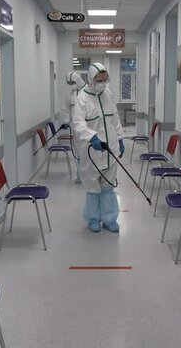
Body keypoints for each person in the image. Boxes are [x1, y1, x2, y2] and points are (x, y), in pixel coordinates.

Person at [72, 63, 125, 233]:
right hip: (92, 152)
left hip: (111, 149)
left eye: (104, 79)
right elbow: (78, 124)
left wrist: (121, 138)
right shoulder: (82, 98)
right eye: (99, 80)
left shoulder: (107, 94)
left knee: (108, 186)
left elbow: (115, 118)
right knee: (93, 187)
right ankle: (93, 218)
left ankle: (109, 219)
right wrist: (91, 136)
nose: (102, 83)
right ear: (91, 78)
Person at [60, 71, 86, 184]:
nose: (71, 84)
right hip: (76, 129)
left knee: (88, 152)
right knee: (78, 152)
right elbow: (66, 109)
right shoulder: (71, 94)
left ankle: (91, 176)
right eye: (69, 82)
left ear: (78, 80)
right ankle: (80, 175)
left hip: (87, 128)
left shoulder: (87, 92)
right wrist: (66, 121)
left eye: (73, 82)